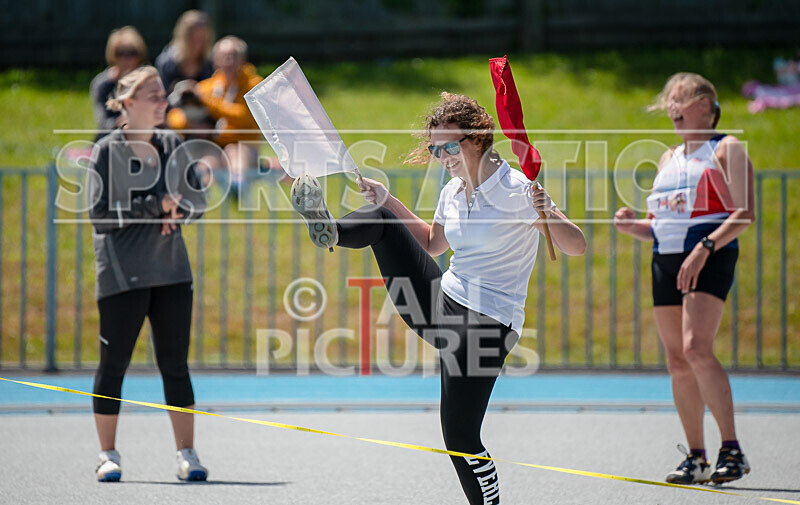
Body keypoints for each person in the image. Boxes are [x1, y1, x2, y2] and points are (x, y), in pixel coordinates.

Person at [290, 92, 586, 504]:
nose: (442, 156)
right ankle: (331, 231)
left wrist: (547, 213)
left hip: (486, 324)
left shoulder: (518, 189)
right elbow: (431, 244)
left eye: (449, 146)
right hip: (440, 302)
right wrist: (387, 200)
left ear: (477, 139)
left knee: (461, 438)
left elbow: (577, 246)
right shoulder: (453, 189)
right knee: (381, 220)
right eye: (435, 149)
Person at [614, 72, 754, 485]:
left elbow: (744, 214)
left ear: (705, 105)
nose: (671, 106)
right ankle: (696, 456)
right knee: (677, 361)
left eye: (679, 98)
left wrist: (705, 247)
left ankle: (732, 448)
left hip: (707, 250)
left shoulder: (726, 147)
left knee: (696, 348)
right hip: (667, 256)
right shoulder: (668, 156)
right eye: (668, 100)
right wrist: (632, 226)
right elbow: (659, 224)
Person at [86, 65, 209, 482]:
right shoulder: (107, 150)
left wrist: (181, 209)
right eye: (154, 95)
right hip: (123, 277)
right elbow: (99, 216)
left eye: (164, 94)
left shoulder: (173, 144)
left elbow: (197, 201)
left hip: (172, 272)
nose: (163, 102)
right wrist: (155, 206)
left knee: (175, 364)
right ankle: (107, 454)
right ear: (128, 103)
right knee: (113, 364)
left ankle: (187, 454)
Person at [193, 35, 264, 192]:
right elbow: (178, 118)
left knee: (235, 152)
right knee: (208, 160)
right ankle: (201, 196)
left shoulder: (254, 85)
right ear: (215, 61)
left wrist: (209, 103)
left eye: (234, 57)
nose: (229, 62)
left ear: (243, 60)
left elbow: (244, 116)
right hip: (216, 145)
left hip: (245, 146)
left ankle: (238, 189)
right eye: (224, 57)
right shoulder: (208, 87)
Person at [90, 26, 147, 140]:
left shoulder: (147, 82)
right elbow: (102, 121)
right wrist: (120, 122)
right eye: (120, 53)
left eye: (132, 53)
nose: (127, 59)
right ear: (113, 55)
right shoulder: (103, 84)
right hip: (112, 137)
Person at [155, 10, 214, 94]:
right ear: (182, 37)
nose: (197, 44)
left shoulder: (211, 63)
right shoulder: (166, 63)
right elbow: (161, 96)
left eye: (201, 39)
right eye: (192, 38)